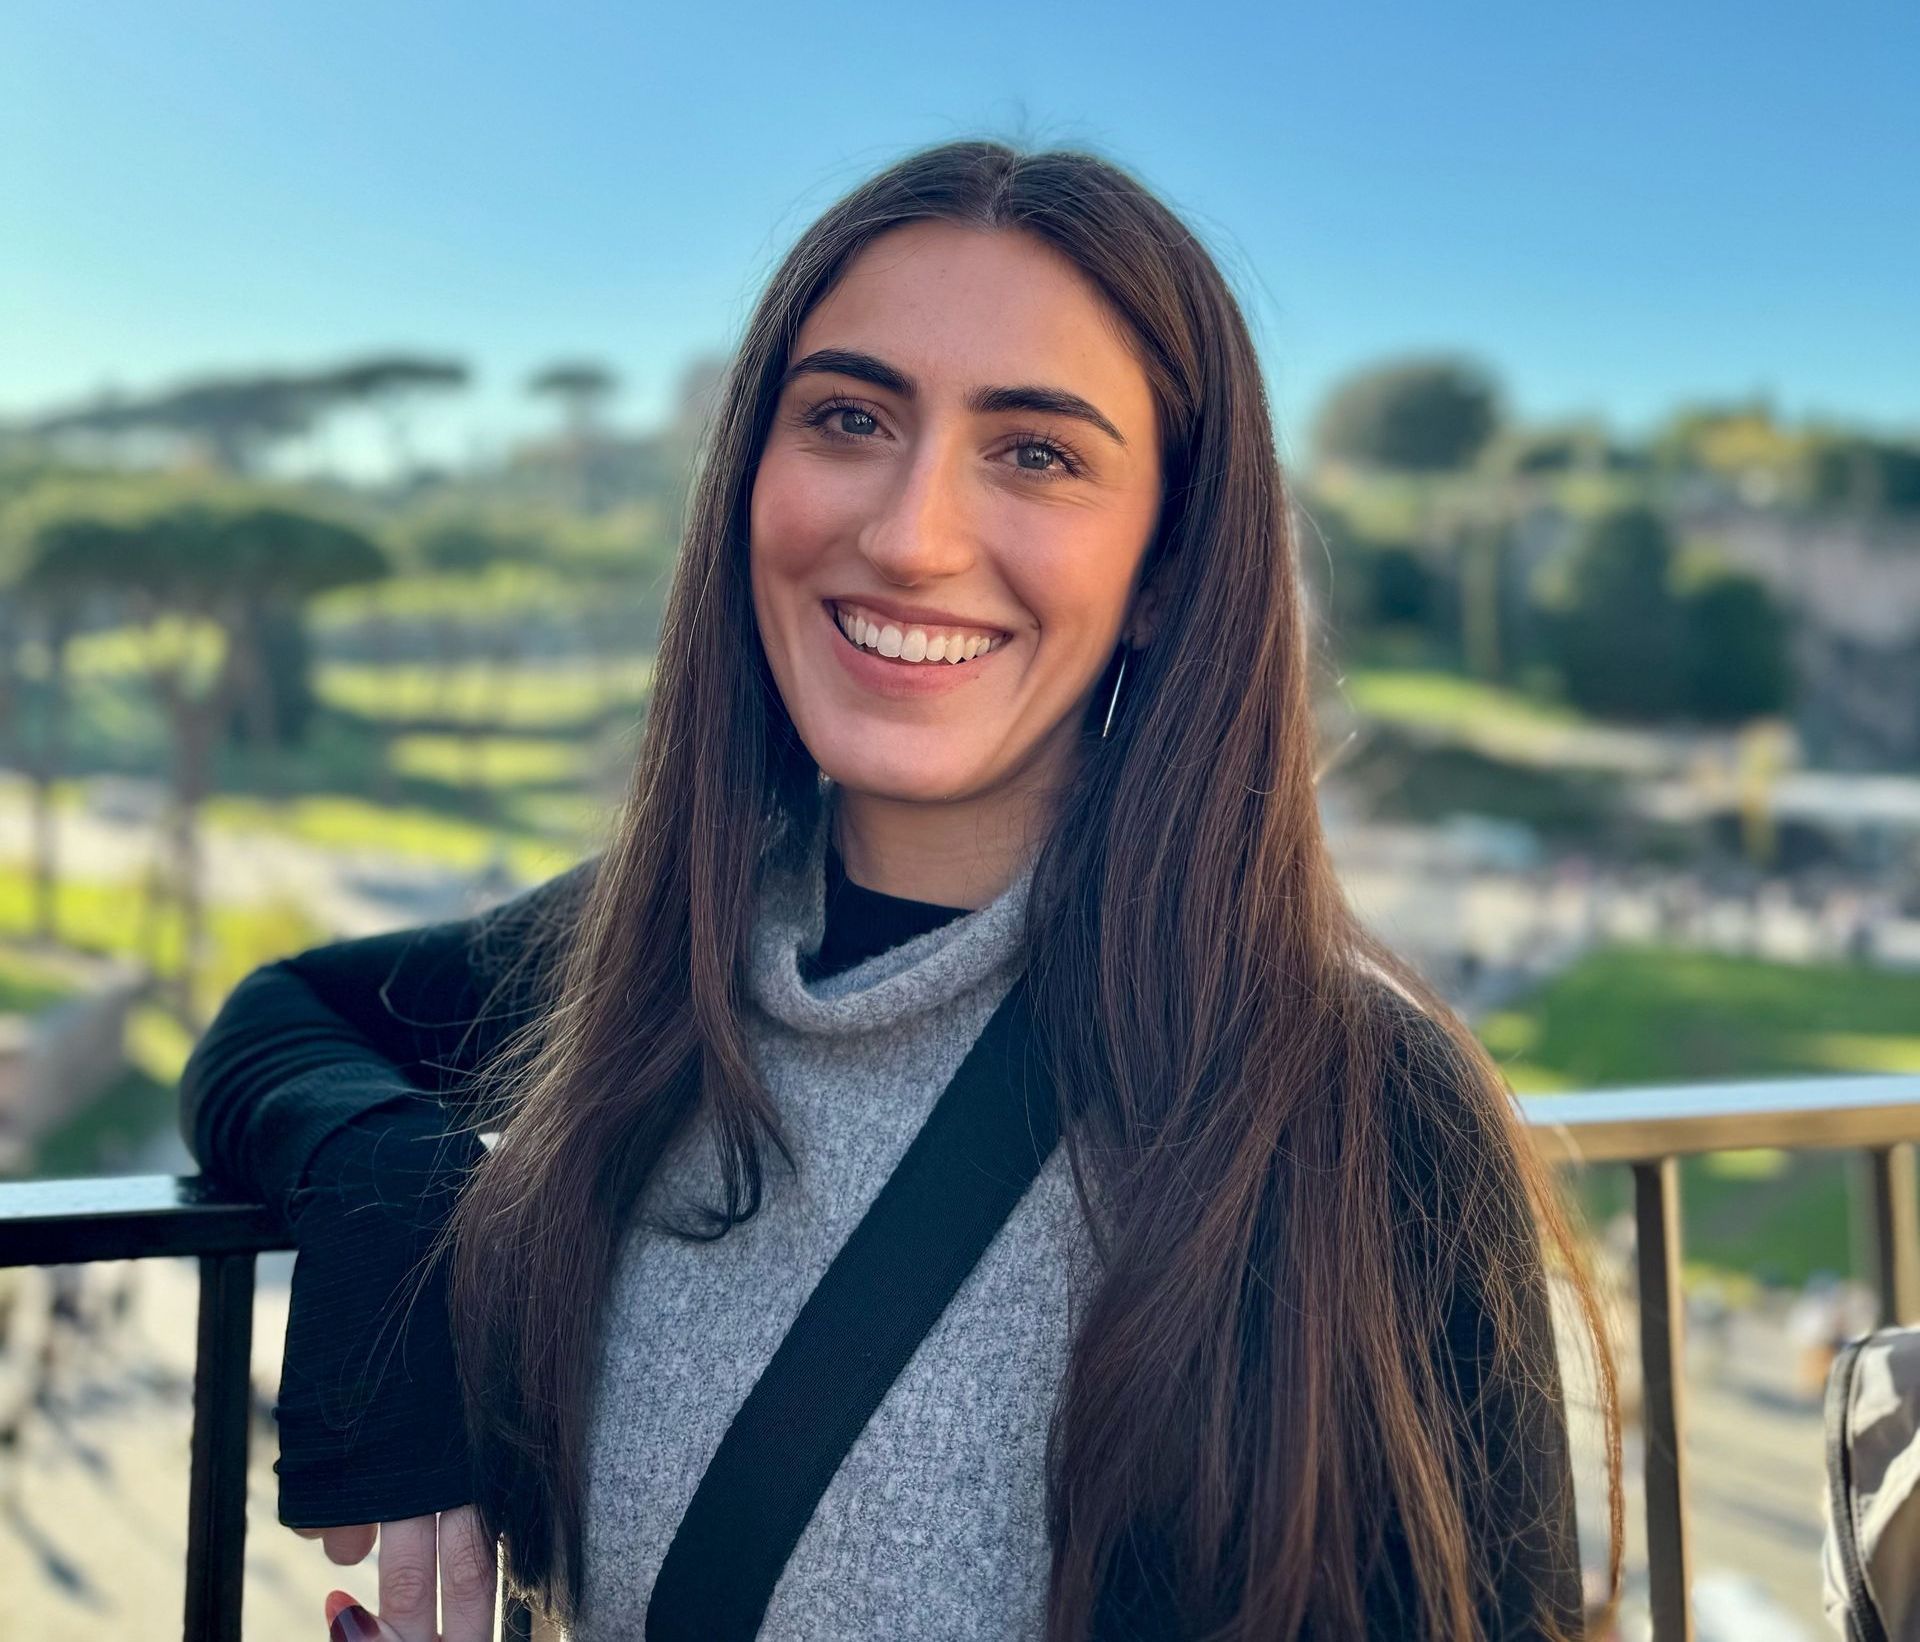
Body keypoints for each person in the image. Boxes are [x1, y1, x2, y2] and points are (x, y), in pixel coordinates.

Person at [179, 138, 1623, 1641]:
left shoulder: (1359, 1114)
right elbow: (282, 1021)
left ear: (1163, 570)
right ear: (751, 475)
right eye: (851, 417)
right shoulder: (654, 944)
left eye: (1037, 451)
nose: (911, 533)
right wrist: (393, 1190)